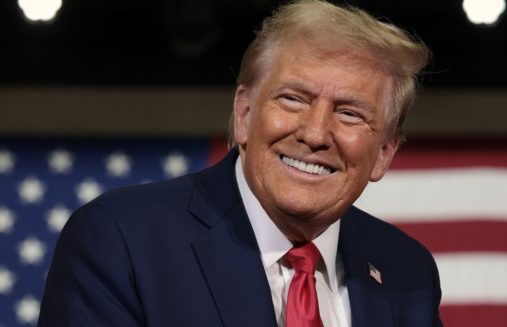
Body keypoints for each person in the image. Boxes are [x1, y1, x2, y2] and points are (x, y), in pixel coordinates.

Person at [39, 0, 442, 326]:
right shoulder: (123, 239)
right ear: (245, 114)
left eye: (350, 113)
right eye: (293, 99)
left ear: (385, 153)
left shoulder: (407, 269)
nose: (316, 134)